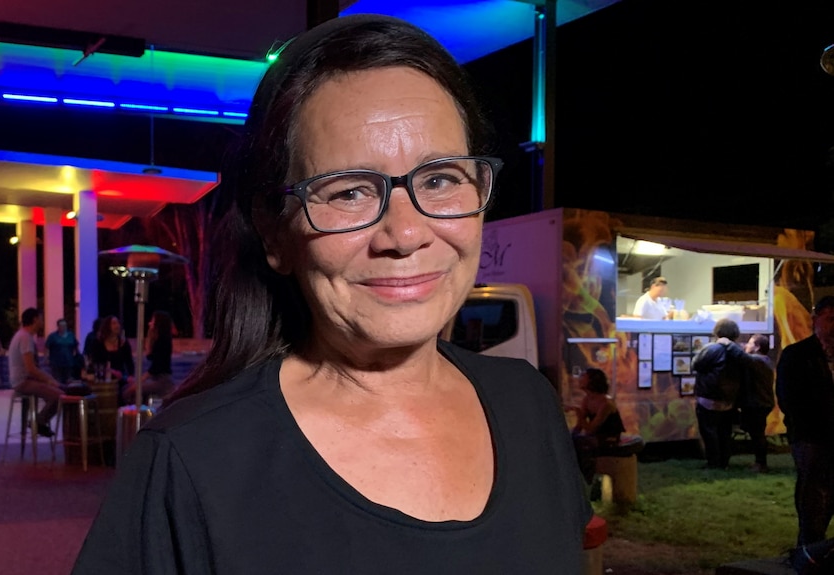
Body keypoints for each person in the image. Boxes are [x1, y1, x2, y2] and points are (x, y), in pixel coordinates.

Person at [72, 14, 591, 574]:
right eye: (348, 192)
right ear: (275, 233)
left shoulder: (528, 404)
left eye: (440, 179)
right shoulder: (191, 460)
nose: (406, 235)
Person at [776, 295, 834, 548]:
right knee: (815, 501)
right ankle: (809, 553)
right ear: (816, 320)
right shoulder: (798, 355)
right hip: (813, 439)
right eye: (831, 319)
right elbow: (790, 400)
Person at [691, 318, 750, 469]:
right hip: (729, 399)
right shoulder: (737, 352)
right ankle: (724, 462)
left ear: (717, 331)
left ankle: (713, 463)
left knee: (709, 431)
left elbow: (695, 364)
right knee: (725, 432)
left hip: (709, 397)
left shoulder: (712, 349)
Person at [7, 308, 63, 438]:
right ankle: (38, 422)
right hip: (23, 381)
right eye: (41, 318)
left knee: (56, 390)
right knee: (60, 396)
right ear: (35, 320)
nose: (42, 322)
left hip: (24, 380)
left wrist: (49, 380)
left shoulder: (22, 335)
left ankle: (39, 421)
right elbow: (30, 368)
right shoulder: (25, 338)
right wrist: (49, 380)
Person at [567, 368, 626, 484]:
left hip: (608, 437)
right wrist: (569, 435)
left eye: (584, 376)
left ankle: (587, 480)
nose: (580, 378)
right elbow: (580, 426)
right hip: (594, 436)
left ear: (592, 381)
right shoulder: (587, 399)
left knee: (584, 445)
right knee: (572, 441)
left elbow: (591, 428)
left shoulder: (606, 403)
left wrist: (578, 413)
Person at [121, 310, 174, 405]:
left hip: (162, 381)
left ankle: (133, 414)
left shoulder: (163, 342)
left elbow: (155, 368)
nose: (149, 323)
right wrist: (149, 338)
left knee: (128, 392)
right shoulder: (158, 340)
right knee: (126, 388)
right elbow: (149, 356)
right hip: (156, 379)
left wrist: (139, 381)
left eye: (152, 321)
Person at [740, 333, 775, 473]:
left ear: (757, 347)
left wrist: (727, 343)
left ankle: (761, 464)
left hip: (757, 403)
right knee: (757, 432)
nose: (747, 345)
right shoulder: (765, 360)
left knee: (757, 434)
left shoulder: (757, 360)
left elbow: (742, 357)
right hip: (763, 402)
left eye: (750, 343)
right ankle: (760, 463)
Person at [83, 315, 134, 404]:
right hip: (102, 376)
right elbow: (95, 362)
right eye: (114, 323)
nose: (117, 326)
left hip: (120, 377)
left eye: (118, 323)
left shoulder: (123, 343)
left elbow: (129, 362)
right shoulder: (98, 342)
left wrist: (131, 376)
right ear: (107, 326)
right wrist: (110, 371)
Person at [44, 318, 80, 384]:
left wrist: (78, 357)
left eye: (65, 325)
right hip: (56, 363)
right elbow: (46, 347)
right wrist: (46, 358)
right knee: (57, 381)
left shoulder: (71, 335)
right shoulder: (52, 336)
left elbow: (76, 346)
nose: (64, 327)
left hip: (69, 362)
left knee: (69, 380)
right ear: (58, 326)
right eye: (62, 326)